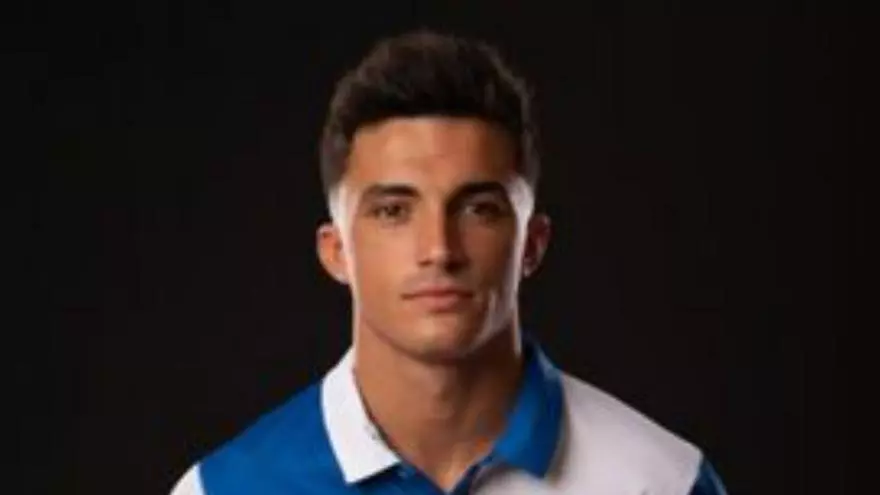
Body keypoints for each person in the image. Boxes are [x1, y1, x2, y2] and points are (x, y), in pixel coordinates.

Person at [170, 29, 728, 495]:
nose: (439, 248)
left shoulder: (663, 482)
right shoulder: (223, 490)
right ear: (336, 251)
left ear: (532, 244)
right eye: (393, 211)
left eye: (479, 209)